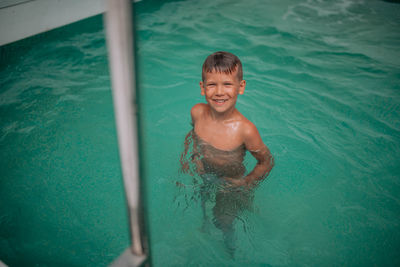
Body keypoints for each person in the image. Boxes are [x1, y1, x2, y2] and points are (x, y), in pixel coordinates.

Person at [180, 51, 274, 257]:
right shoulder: (197, 112)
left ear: (241, 87)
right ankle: (203, 229)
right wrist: (191, 155)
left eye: (227, 84)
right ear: (202, 87)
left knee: (222, 220)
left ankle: (231, 251)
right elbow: (192, 134)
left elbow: (266, 161)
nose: (219, 92)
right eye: (212, 84)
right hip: (204, 170)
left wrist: (247, 182)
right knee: (200, 204)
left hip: (230, 182)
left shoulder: (245, 130)